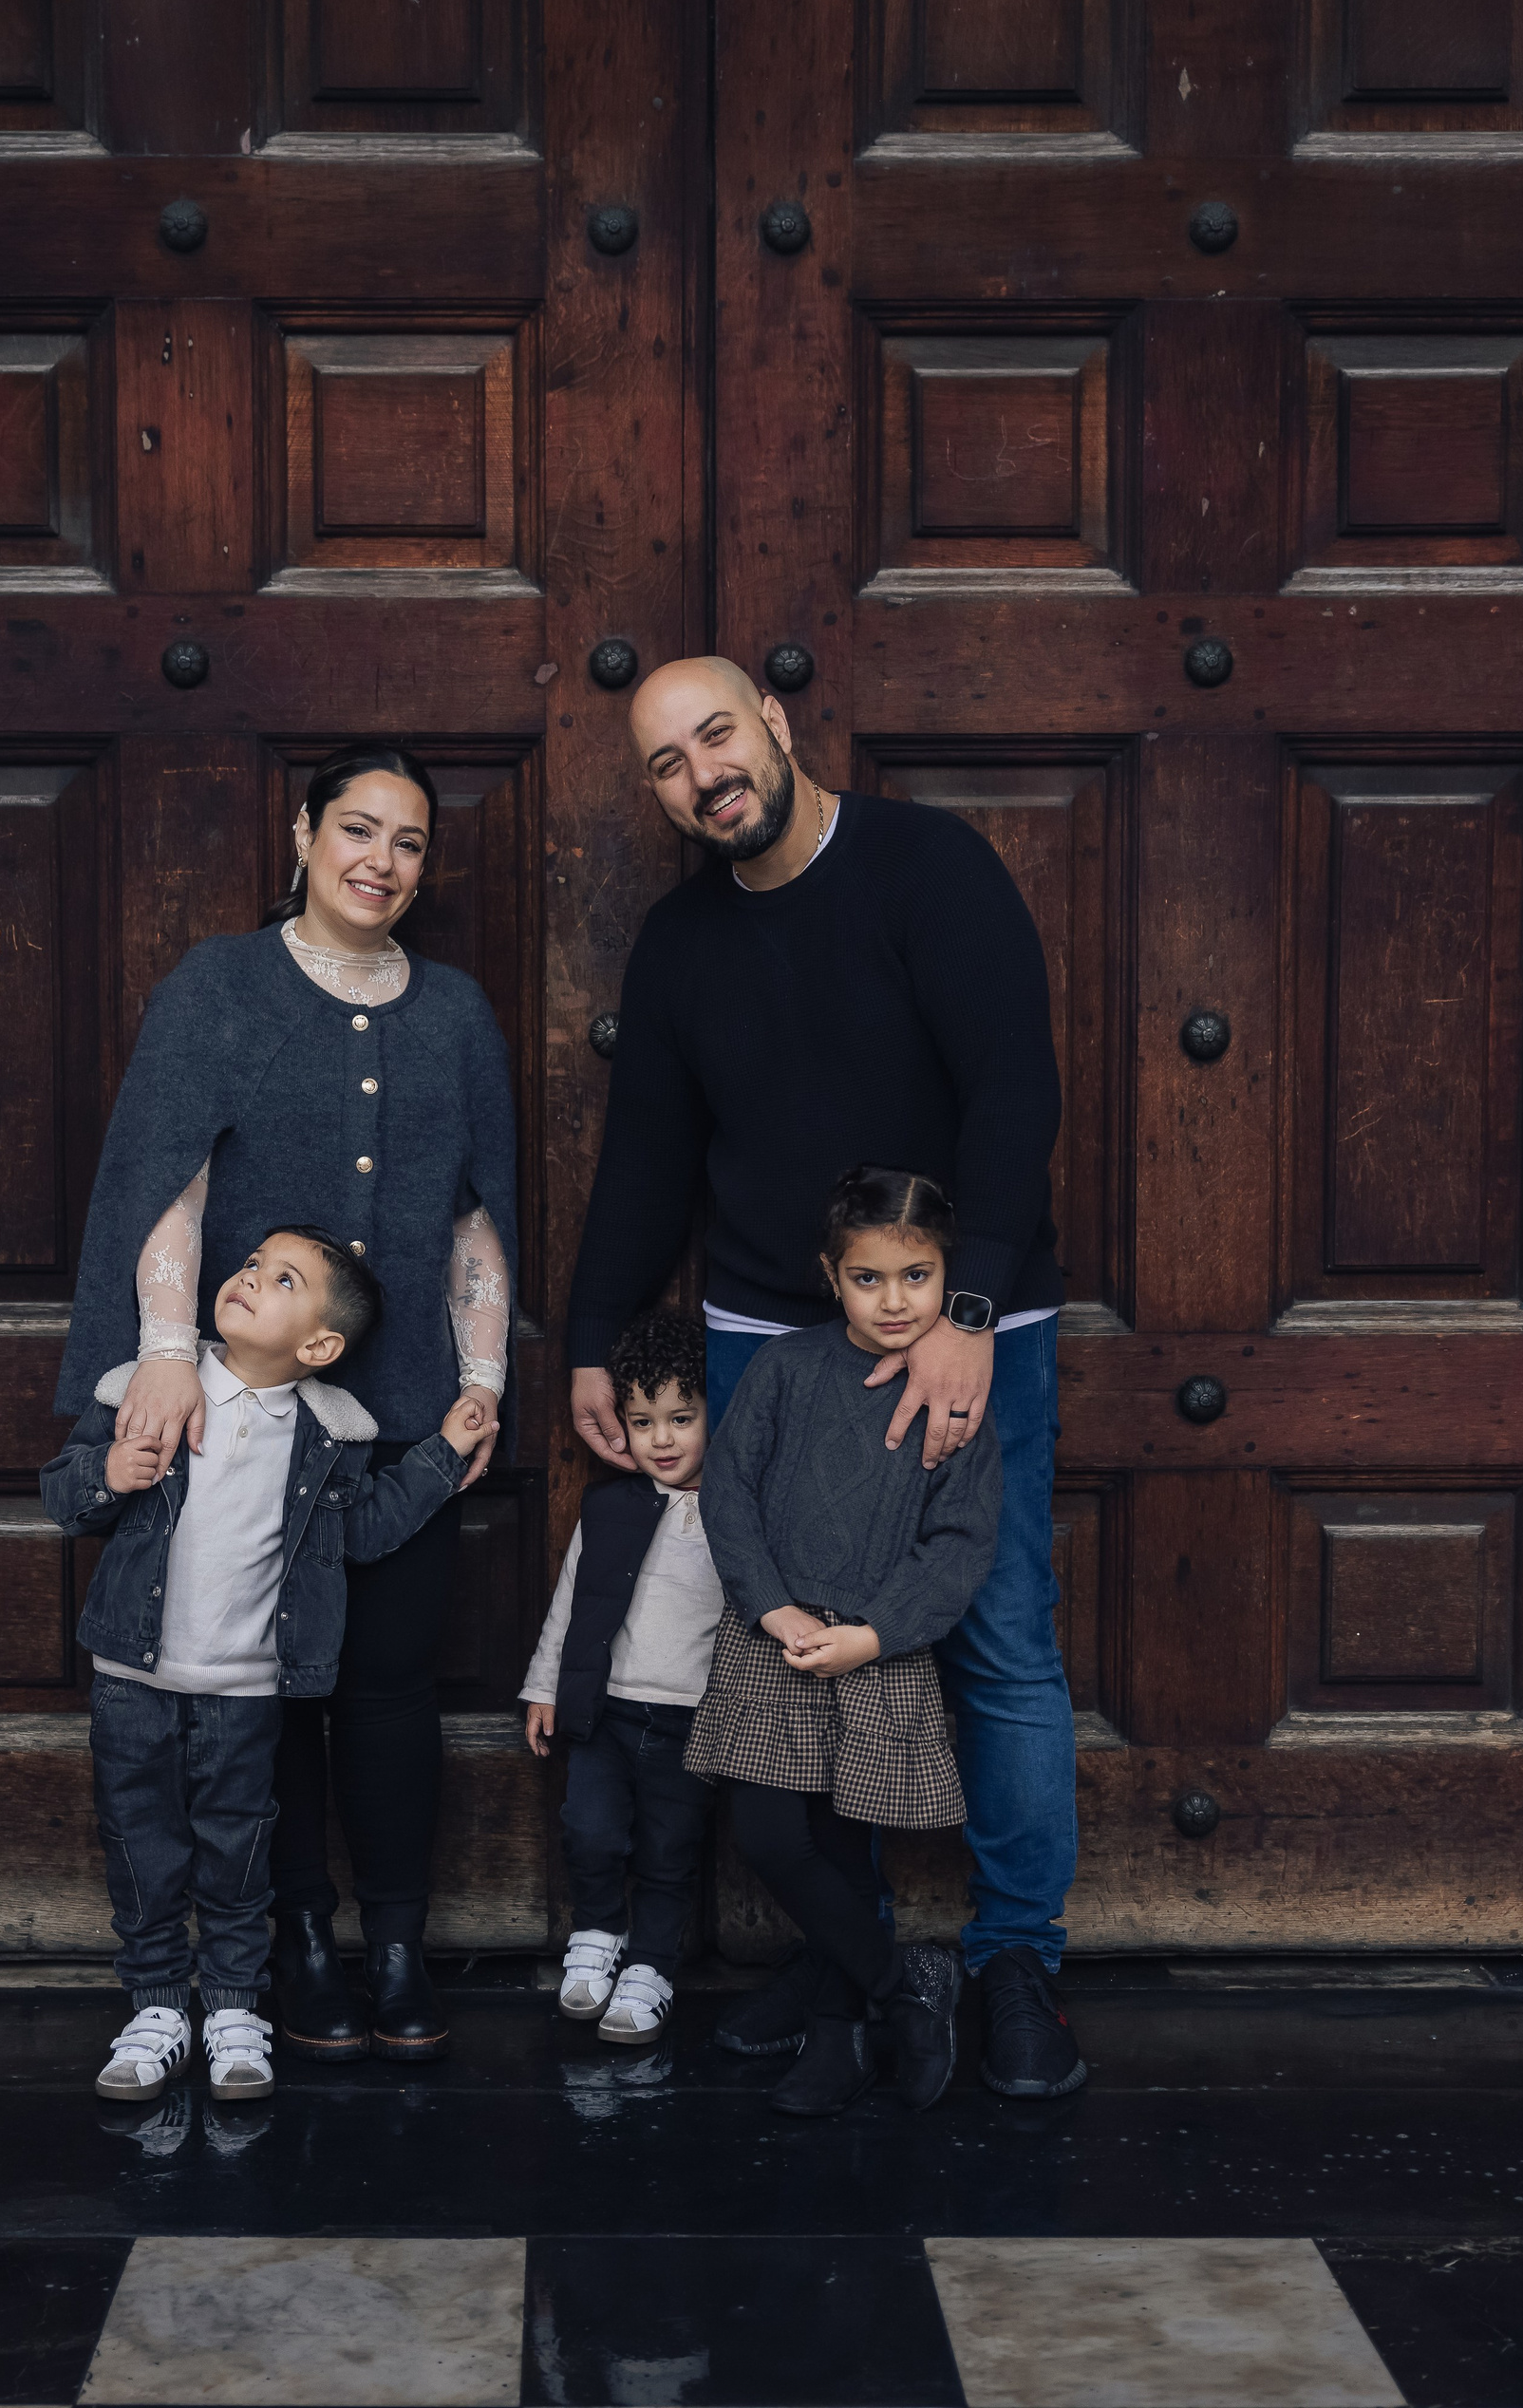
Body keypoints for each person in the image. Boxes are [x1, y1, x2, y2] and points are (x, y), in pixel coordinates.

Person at [566, 655, 1083, 2100]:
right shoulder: (681, 943)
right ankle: (854, 1961)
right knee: (795, 1647)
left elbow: (1014, 1092)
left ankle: (1017, 1963)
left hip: (965, 1322)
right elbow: (648, 1156)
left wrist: (968, 1309)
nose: (703, 775)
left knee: (996, 1639)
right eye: (667, 763)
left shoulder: (930, 869)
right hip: (771, 1336)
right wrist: (594, 1333)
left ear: (778, 725)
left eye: (717, 736)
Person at [56, 746, 517, 2067]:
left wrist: (482, 1382)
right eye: (358, 829)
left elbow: (477, 1218)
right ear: (306, 833)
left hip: (408, 1410)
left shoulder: (456, 1012)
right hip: (245, 1409)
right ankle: (300, 1941)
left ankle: (397, 1944)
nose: (382, 860)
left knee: (390, 1686)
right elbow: (170, 1182)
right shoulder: (220, 985)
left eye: (410, 842)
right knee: (269, 1693)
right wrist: (162, 1353)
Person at [43, 1227, 481, 2100]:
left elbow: (364, 1529)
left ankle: (235, 2007)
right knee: (141, 1846)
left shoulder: (330, 1433)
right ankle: (157, 2006)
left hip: (246, 1692)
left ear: (318, 1346)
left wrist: (442, 1452)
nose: (249, 1277)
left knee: (239, 1855)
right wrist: (112, 1473)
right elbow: (64, 1491)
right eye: (251, 1263)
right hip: (134, 1681)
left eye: (282, 1279)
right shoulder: (144, 1387)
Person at [689, 1167, 1001, 2116]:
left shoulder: (958, 1403)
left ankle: (839, 2035)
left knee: (841, 1847)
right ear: (831, 1277)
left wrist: (875, 1634)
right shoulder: (786, 1369)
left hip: (875, 1655)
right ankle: (906, 1985)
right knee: (771, 1837)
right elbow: (728, 1491)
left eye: (916, 1276)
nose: (894, 1300)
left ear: (945, 1277)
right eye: (869, 1278)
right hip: (774, 1641)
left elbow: (960, 1544)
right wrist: (772, 1607)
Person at [519, 1310, 722, 2047]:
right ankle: (599, 1932)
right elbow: (572, 1601)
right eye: (642, 1421)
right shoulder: (607, 1507)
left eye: (680, 1418)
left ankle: (652, 1965)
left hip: (693, 1721)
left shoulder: (735, 1510)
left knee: (670, 1851)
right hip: (606, 1712)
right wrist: (545, 1685)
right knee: (590, 1830)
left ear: (714, 1414)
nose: (661, 1438)